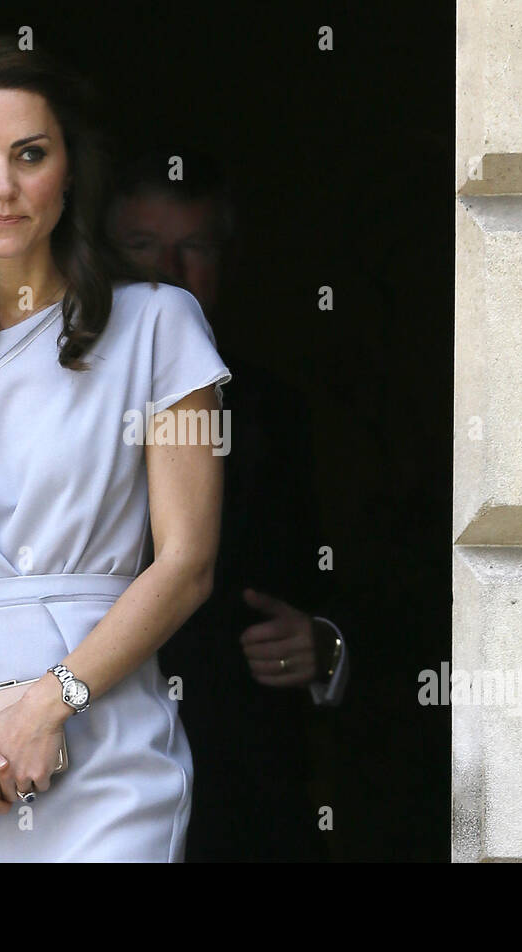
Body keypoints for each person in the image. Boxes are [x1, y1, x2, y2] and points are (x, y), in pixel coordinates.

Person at [0, 35, 229, 862]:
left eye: (30, 154)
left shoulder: (161, 324)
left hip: (105, 740)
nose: (3, 188)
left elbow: (188, 562)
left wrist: (50, 703)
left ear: (70, 167)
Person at [108, 147, 351, 860]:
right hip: (79, 767)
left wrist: (327, 641)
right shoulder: (40, 396)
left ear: (227, 262)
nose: (167, 275)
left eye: (194, 249)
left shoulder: (277, 412)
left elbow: (360, 573)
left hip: (239, 792)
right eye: (143, 246)